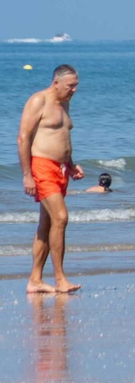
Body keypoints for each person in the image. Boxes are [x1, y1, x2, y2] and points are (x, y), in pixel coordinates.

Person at [16, 64, 85, 293]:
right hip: (42, 166)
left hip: (61, 168)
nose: (74, 90)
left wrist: (71, 163)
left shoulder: (65, 102)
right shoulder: (39, 100)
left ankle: (35, 280)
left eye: (76, 85)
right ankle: (60, 279)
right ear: (56, 83)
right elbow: (23, 138)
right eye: (70, 85)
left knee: (47, 223)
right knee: (61, 217)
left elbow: (62, 137)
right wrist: (27, 175)